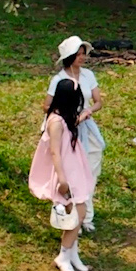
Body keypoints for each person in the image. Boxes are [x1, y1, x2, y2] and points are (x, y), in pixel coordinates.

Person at [29, 79, 93, 271]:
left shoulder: (62, 118)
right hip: (64, 173)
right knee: (77, 213)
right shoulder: (55, 122)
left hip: (73, 168)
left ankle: (72, 254)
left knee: (77, 212)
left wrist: (83, 116)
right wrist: (62, 180)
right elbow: (55, 153)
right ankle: (64, 255)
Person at [45, 36, 106, 231]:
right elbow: (47, 105)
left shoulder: (88, 75)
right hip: (66, 128)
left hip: (85, 126)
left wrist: (87, 112)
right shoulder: (59, 80)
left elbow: (98, 101)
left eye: (83, 54)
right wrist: (65, 117)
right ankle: (69, 214)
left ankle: (86, 216)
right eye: (78, 55)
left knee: (91, 165)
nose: (82, 58)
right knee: (70, 171)